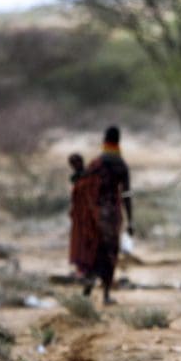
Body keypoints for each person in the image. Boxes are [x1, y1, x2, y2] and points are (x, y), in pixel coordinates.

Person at [68, 126, 133, 305]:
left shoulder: (96, 164)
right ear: (118, 141)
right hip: (112, 216)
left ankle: (87, 293)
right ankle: (105, 295)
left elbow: (81, 183)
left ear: (104, 140)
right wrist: (131, 221)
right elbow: (127, 194)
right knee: (110, 253)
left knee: (94, 250)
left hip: (95, 215)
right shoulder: (121, 165)